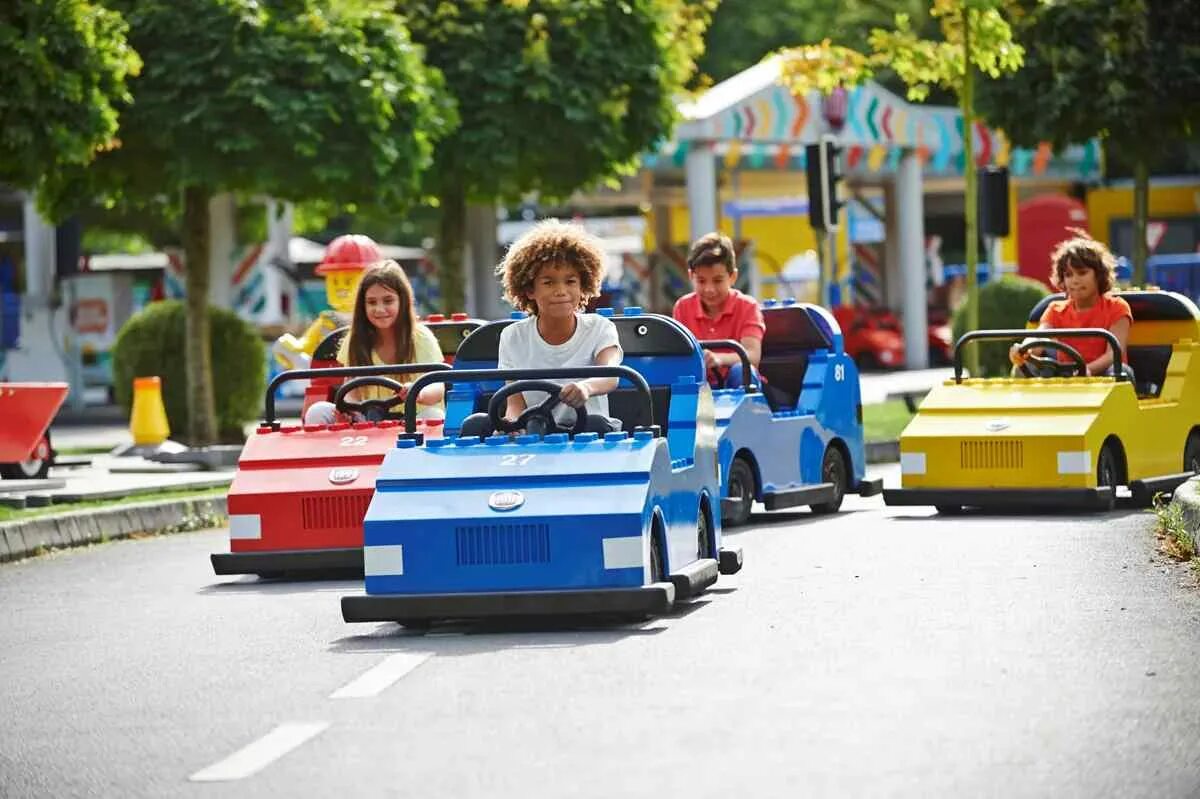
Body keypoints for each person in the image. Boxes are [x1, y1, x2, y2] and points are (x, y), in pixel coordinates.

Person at [459, 220, 623, 438]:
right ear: (529, 290)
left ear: (583, 285)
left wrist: (586, 387)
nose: (561, 291)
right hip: (535, 431)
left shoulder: (600, 328)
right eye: (549, 283)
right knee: (475, 425)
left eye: (570, 281)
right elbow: (514, 402)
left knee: (596, 424)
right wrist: (511, 425)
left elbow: (610, 375)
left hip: (588, 433)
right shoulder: (513, 336)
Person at [303, 260, 445, 425]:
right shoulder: (354, 339)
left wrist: (417, 392)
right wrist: (348, 410)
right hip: (367, 420)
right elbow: (351, 390)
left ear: (402, 301)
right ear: (362, 306)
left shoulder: (420, 338)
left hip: (412, 421)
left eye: (388, 301)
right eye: (371, 302)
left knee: (434, 416)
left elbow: (437, 386)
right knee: (317, 411)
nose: (379, 309)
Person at [1009, 230, 1133, 380]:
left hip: (1103, 375)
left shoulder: (1117, 307)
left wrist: (1087, 370)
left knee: (1121, 372)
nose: (1075, 280)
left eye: (1082, 273)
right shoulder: (1055, 310)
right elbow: (1038, 337)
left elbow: (1113, 354)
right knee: (1021, 368)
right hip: (1067, 376)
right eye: (1068, 275)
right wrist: (1022, 349)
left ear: (1099, 275)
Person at [672, 232, 764, 389]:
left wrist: (719, 359)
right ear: (690, 276)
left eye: (717, 281)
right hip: (700, 387)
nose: (709, 289)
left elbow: (752, 355)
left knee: (741, 370)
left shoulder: (748, 307)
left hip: (737, 385)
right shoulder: (682, 307)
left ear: (733, 277)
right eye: (701, 281)